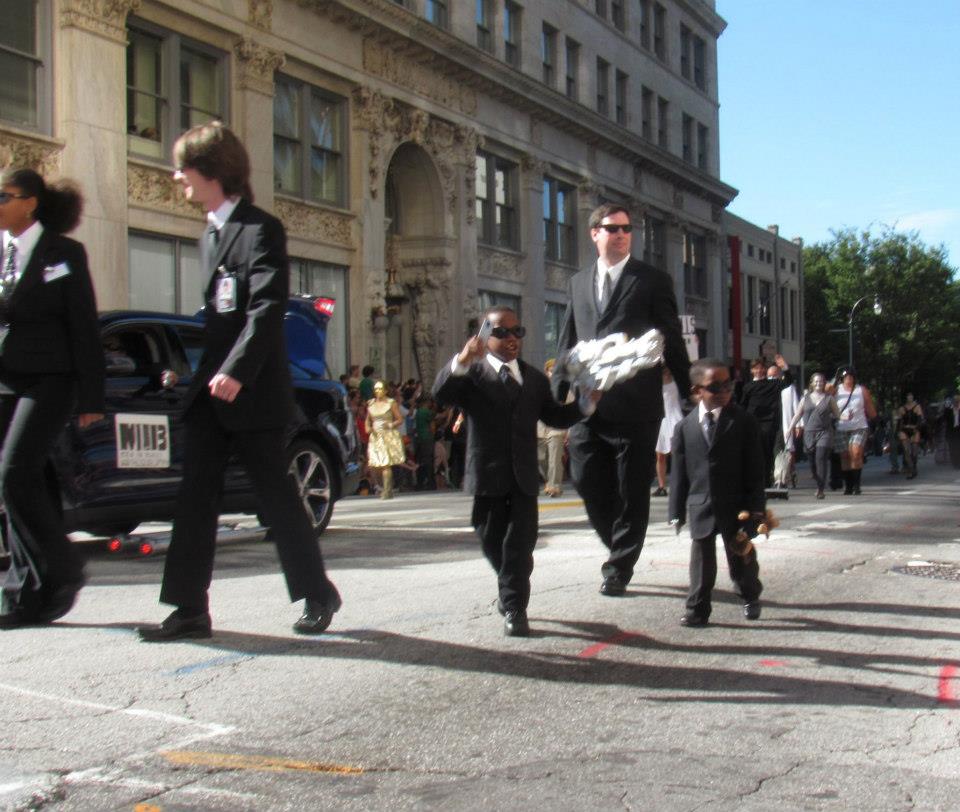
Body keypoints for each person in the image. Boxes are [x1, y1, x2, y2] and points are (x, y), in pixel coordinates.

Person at [137, 122, 340, 641]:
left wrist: (236, 371)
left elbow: (266, 308)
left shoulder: (260, 229)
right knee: (195, 497)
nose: (178, 178)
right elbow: (219, 317)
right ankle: (189, 610)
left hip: (252, 393)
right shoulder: (210, 234)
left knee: (275, 497)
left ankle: (318, 593)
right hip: (211, 393)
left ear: (212, 172)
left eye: (184, 169)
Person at [555, 203, 690, 597]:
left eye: (627, 229)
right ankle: (619, 542)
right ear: (594, 233)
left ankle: (619, 566)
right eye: (613, 228)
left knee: (632, 489)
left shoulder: (652, 280)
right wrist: (557, 397)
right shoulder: (578, 282)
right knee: (585, 480)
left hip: (636, 406)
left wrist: (690, 391)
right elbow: (568, 340)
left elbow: (671, 341)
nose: (621, 234)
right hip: (588, 407)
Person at [433, 307, 586, 636]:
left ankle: (515, 608)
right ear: (485, 337)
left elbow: (554, 417)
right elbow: (441, 393)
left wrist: (587, 404)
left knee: (520, 544)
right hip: (486, 475)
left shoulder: (533, 378)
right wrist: (462, 357)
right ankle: (510, 586)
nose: (512, 339)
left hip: (524, 478)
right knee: (491, 541)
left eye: (518, 332)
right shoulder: (471, 375)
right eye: (502, 333)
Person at [0, 169, 104, 628]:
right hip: (7, 380)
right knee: (28, 484)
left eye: (4, 195)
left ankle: (63, 566)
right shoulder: (2, 253)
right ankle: (31, 593)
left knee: (13, 473)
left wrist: (91, 396)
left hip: (51, 380)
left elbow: (84, 325)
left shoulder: (64, 253)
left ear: (31, 203)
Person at [668, 358, 765, 627]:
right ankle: (697, 609)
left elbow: (755, 468)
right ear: (697, 390)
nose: (723, 391)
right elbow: (679, 474)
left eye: (727, 385)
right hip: (701, 503)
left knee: (741, 558)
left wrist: (757, 506)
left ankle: (750, 595)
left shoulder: (743, 421)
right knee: (701, 561)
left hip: (737, 505)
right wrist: (675, 510)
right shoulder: (684, 427)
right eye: (715, 387)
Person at [737, 354, 793, 486]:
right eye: (756, 368)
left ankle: (766, 482)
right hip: (753, 423)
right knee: (756, 453)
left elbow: (788, 381)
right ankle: (757, 481)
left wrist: (784, 367)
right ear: (751, 370)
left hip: (770, 423)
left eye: (761, 368)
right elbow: (742, 406)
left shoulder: (773, 384)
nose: (759, 371)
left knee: (767, 453)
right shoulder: (747, 387)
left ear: (765, 369)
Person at [788, 373, 839, 499]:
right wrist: (790, 428)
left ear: (824, 383)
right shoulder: (805, 398)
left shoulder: (829, 398)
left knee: (820, 459)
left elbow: (838, 414)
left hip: (825, 432)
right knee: (813, 464)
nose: (818, 384)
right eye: (816, 381)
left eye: (821, 381)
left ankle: (821, 489)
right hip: (809, 434)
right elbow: (797, 415)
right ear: (811, 383)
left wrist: (845, 417)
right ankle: (818, 480)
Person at [832, 367, 876, 495]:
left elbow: (870, 408)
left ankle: (857, 485)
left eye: (851, 377)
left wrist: (875, 421)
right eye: (846, 377)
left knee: (855, 453)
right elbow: (825, 394)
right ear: (842, 378)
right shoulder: (836, 390)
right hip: (841, 427)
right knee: (845, 456)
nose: (849, 379)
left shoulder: (861, 390)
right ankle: (848, 485)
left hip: (859, 426)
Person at [365, 380, 406, 499]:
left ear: (386, 390)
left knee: (385, 464)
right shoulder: (371, 404)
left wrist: (391, 425)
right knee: (376, 465)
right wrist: (368, 427)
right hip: (375, 436)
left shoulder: (391, 403)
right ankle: (385, 487)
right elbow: (368, 419)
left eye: (380, 389)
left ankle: (387, 491)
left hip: (387, 435)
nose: (378, 391)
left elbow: (400, 419)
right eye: (376, 389)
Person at [537, 358, 568, 497]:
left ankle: (555, 486)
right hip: (540, 428)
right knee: (540, 458)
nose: (552, 373)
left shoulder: (564, 386)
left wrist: (569, 430)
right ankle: (549, 482)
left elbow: (571, 409)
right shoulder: (540, 386)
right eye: (550, 371)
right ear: (547, 372)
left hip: (557, 428)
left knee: (554, 459)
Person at [653, 367, 684, 497]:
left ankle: (683, 483)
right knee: (660, 455)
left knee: (678, 453)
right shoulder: (654, 384)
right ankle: (662, 486)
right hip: (661, 420)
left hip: (675, 417)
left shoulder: (676, 381)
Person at [896, 392, 924, 479]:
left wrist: (917, 429)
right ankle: (911, 469)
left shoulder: (917, 407)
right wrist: (897, 432)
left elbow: (920, 420)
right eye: (908, 396)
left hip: (915, 429)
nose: (910, 398)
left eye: (911, 396)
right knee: (906, 451)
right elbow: (899, 421)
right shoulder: (902, 408)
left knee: (914, 451)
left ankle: (914, 466)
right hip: (904, 430)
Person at [943, 394, 960, 469]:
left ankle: (958, 462)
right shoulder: (948, 410)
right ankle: (955, 463)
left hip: (959, 431)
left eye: (957, 401)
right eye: (955, 401)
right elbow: (944, 419)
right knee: (952, 448)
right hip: (951, 431)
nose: (956, 402)